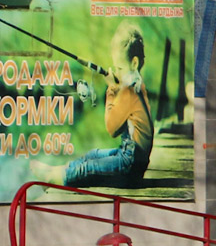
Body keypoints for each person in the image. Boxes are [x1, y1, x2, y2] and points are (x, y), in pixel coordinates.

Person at [33, 22, 154, 188]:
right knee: (93, 154)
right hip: (135, 160)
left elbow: (112, 128)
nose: (116, 72)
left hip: (129, 164)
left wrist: (111, 90)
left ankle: (54, 178)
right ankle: (59, 170)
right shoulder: (138, 86)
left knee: (89, 167)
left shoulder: (129, 92)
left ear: (134, 63)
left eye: (119, 68)